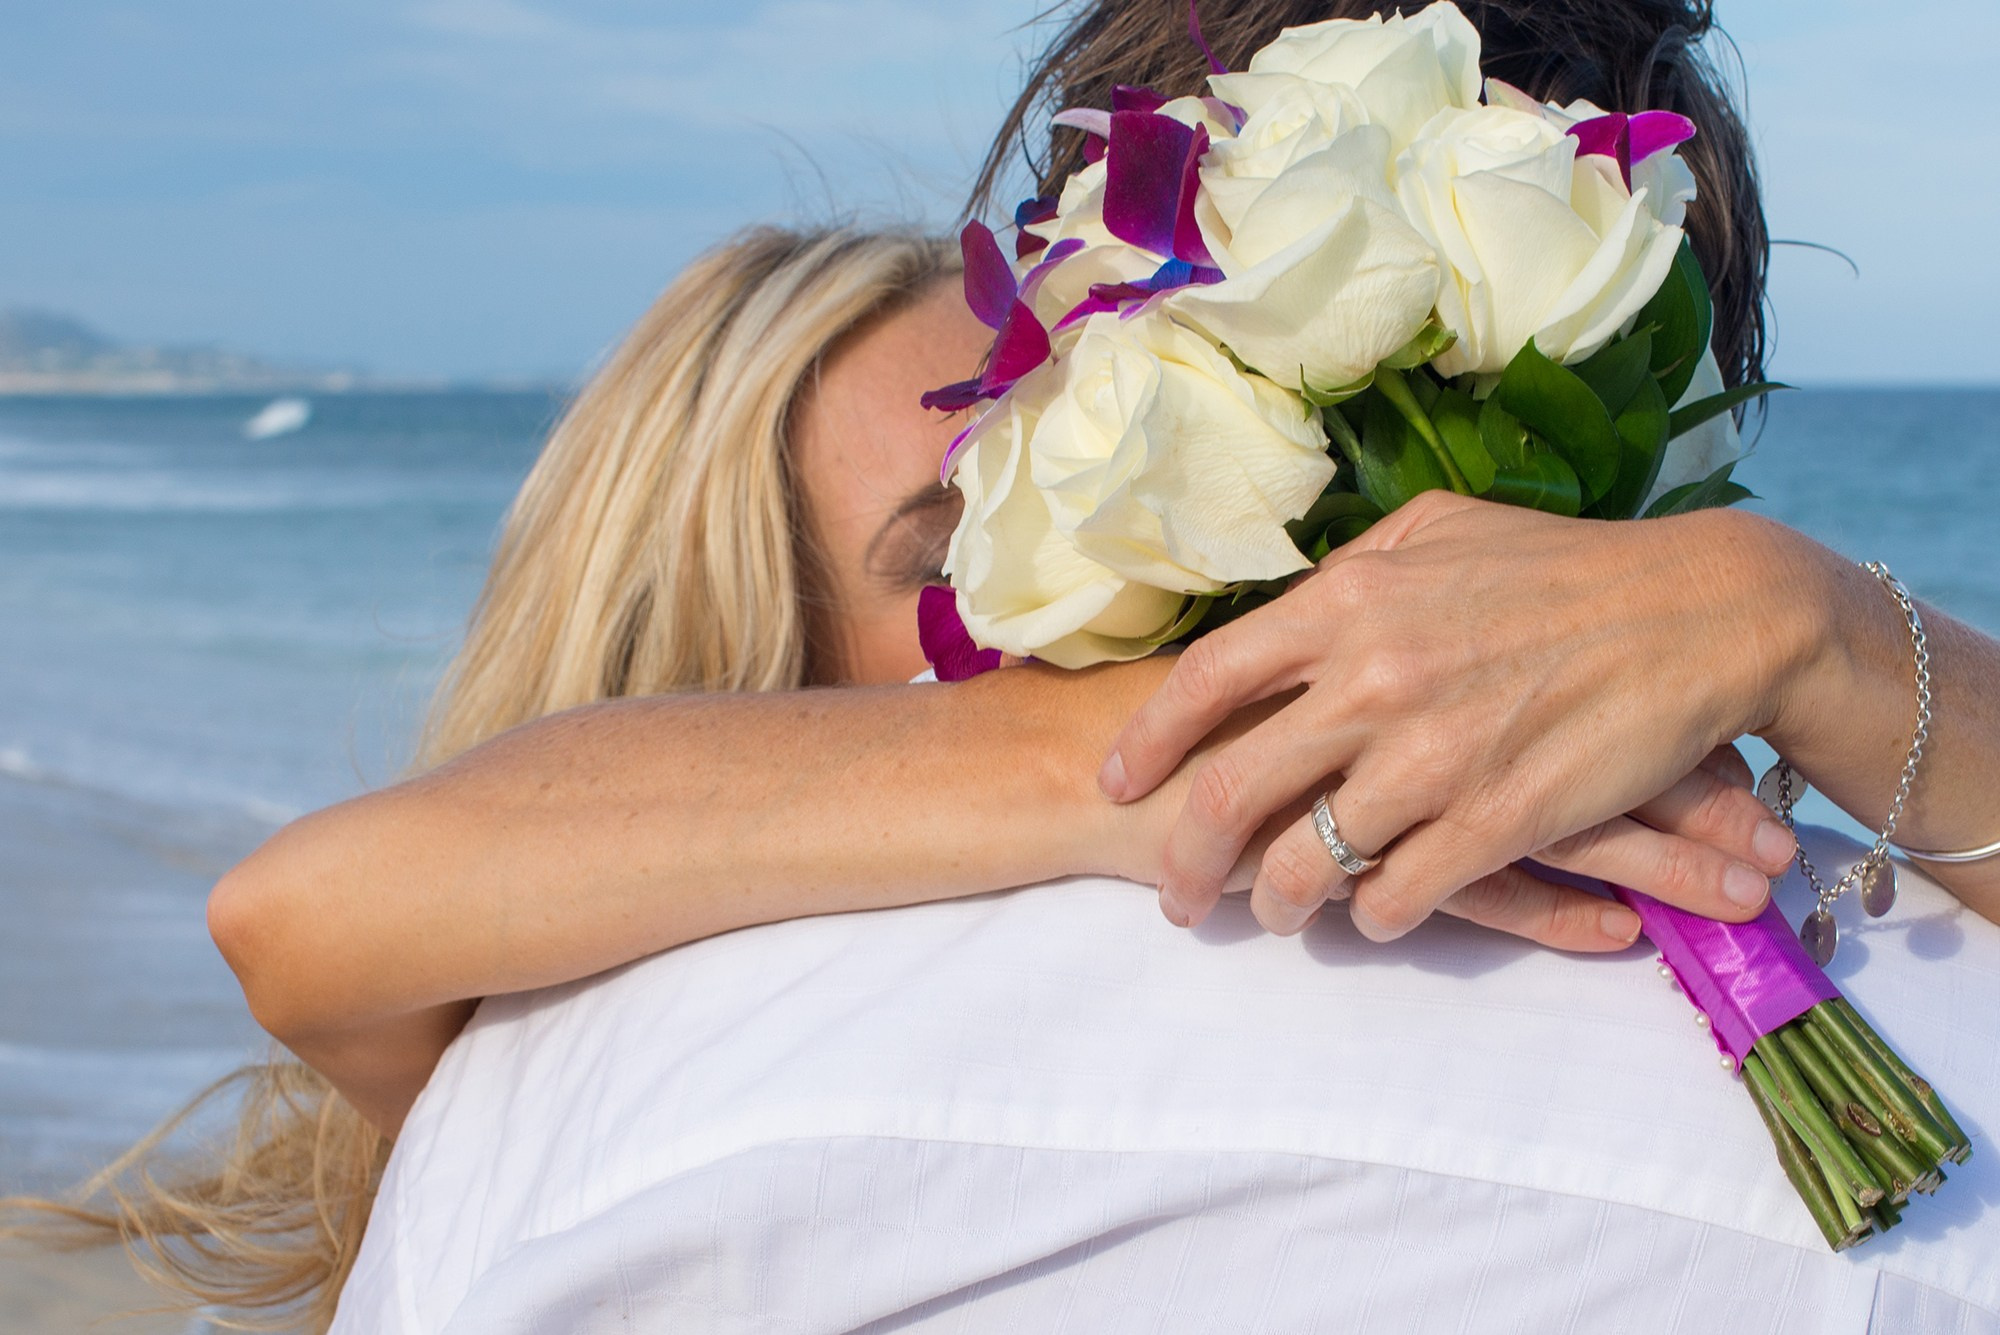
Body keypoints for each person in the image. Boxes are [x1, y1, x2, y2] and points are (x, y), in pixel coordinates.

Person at [6, 0, 1997, 1328]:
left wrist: (1794, 625)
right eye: (960, 564)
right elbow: (308, 907)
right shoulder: (605, 1014)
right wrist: (1154, 752)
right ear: (733, 680)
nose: (1089, 592)